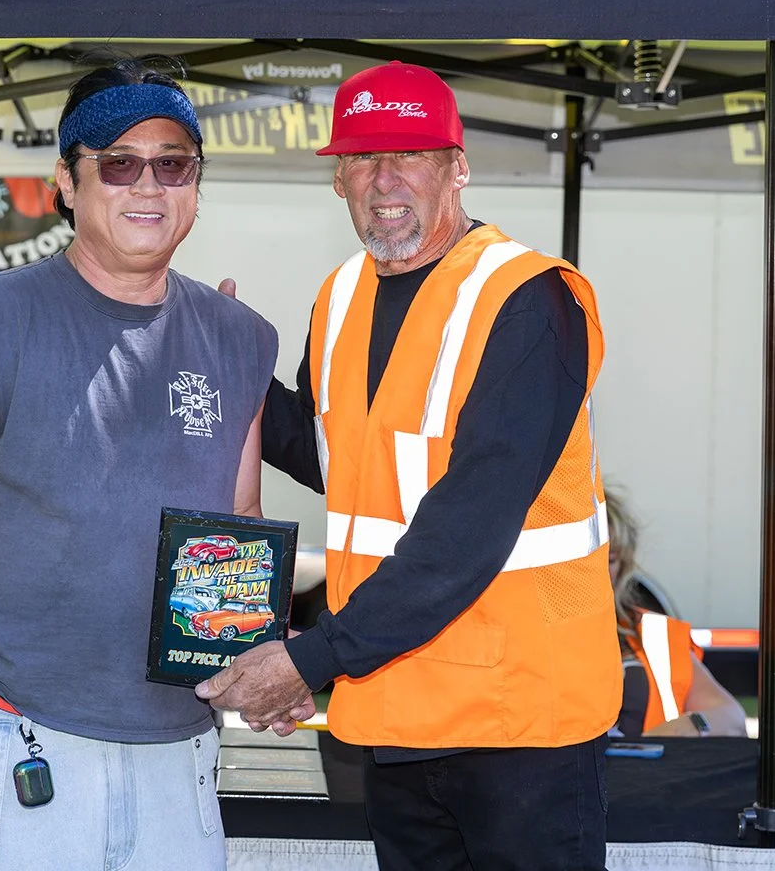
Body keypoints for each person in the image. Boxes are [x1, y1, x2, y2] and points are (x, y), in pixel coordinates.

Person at [199, 60, 621, 871]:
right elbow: (338, 460)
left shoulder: (528, 298)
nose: (384, 178)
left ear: (457, 168)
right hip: (396, 712)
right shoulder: (341, 296)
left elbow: (468, 526)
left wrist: (309, 661)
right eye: (362, 157)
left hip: (518, 724)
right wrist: (238, 367)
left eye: (411, 155)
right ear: (338, 180)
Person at [0, 58, 276, 871]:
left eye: (174, 164)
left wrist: (262, 660)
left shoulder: (240, 338)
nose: (148, 186)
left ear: (197, 182)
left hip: (179, 758)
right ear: (66, 179)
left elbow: (237, 531)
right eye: (119, 163)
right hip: (14, 748)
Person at [605, 488, 748, 738]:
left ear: (623, 566)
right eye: (588, 560)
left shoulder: (653, 633)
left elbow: (731, 717)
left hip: (650, 762)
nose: (600, 571)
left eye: (610, 559)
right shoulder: (533, 635)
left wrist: (686, 728)